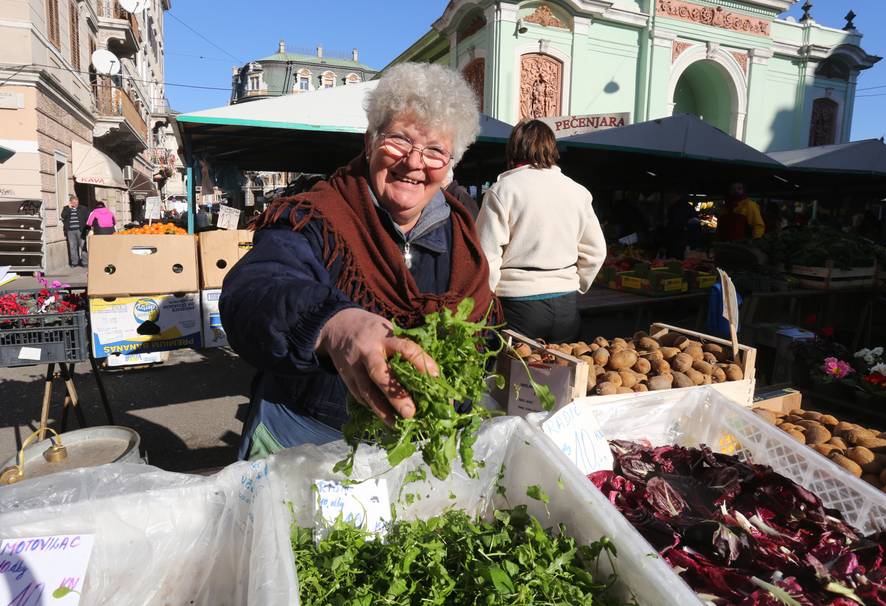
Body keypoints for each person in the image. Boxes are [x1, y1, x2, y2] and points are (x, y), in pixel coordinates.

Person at [220, 63, 498, 460]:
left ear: (450, 164)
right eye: (400, 140)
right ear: (369, 142)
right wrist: (332, 325)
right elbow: (253, 291)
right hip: (305, 437)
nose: (415, 162)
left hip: (414, 448)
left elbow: (479, 331)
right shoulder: (314, 216)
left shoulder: (462, 234)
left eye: (435, 150)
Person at [475, 120, 607, 343]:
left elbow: (485, 255)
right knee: (562, 374)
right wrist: (574, 283)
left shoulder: (503, 190)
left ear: (514, 149)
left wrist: (491, 294)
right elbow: (596, 252)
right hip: (566, 304)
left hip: (517, 304)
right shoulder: (577, 191)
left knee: (513, 375)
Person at [665, 191, 696, 259]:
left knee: (674, 260)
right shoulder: (688, 207)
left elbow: (675, 224)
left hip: (676, 240)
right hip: (686, 239)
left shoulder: (675, 208)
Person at [60, 194, 88, 266]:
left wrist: (87, 229)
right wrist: (69, 209)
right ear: (70, 202)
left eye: (76, 202)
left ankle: (85, 262)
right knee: (72, 247)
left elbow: (87, 218)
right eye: (73, 202)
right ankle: (74, 262)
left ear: (78, 201)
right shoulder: (66, 208)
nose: (75, 203)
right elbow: (63, 216)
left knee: (83, 246)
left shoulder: (83, 208)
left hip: (80, 230)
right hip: (70, 231)